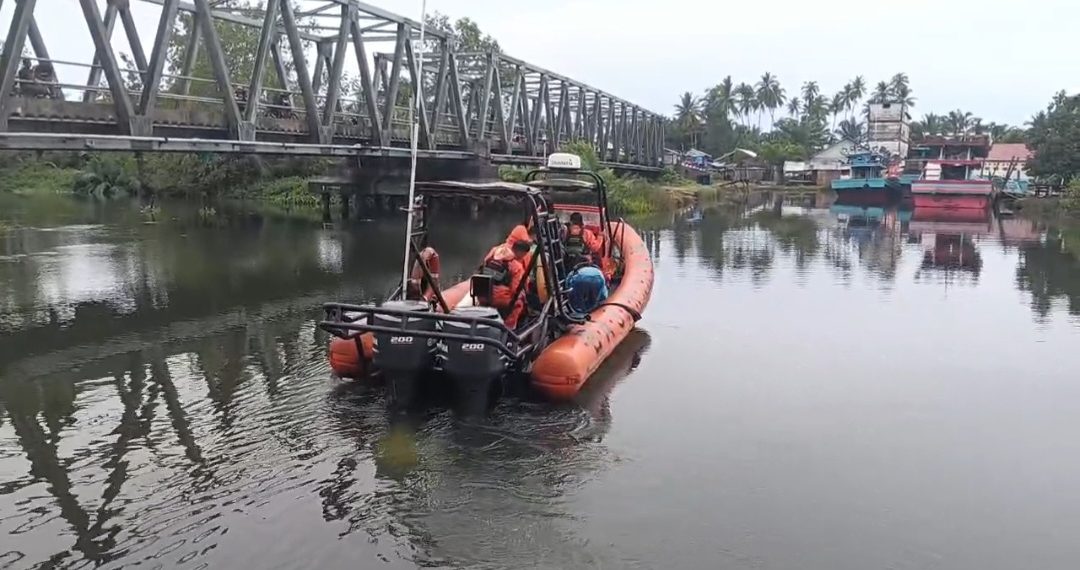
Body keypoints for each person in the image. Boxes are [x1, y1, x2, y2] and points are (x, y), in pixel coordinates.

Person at [480, 239, 532, 328]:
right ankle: (508, 329)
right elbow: (515, 289)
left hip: (482, 294)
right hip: (499, 298)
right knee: (519, 303)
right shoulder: (516, 266)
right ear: (520, 252)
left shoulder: (492, 256)